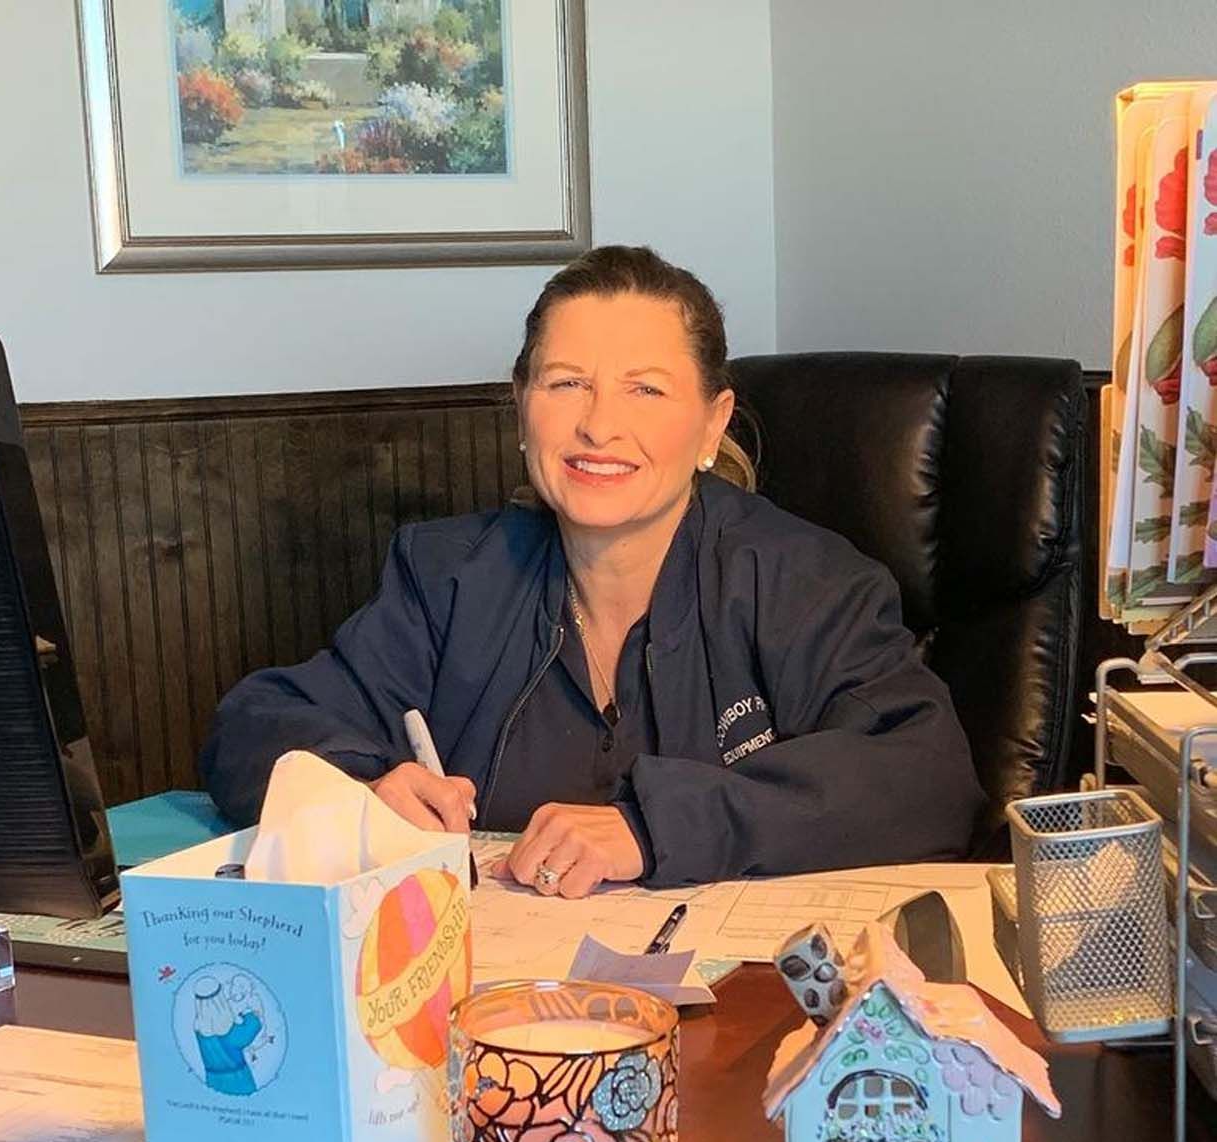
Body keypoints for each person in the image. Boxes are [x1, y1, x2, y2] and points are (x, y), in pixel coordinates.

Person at [202, 246, 984, 896]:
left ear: (711, 423)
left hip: (744, 1014)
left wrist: (652, 830)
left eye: (645, 389)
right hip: (487, 1003)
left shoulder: (801, 582)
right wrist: (359, 789)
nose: (599, 425)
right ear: (521, 407)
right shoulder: (449, 576)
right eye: (566, 383)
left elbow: (925, 779)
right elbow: (256, 725)